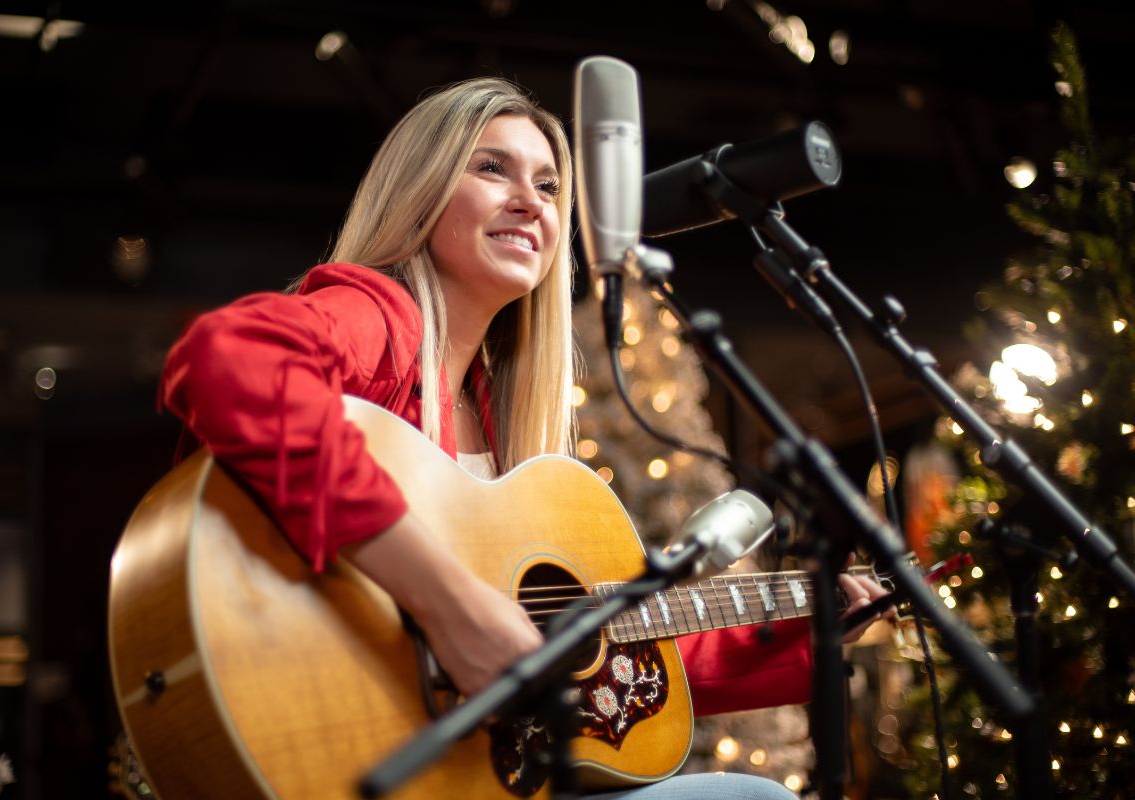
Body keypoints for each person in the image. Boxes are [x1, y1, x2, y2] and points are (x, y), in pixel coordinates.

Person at [160, 76, 888, 799]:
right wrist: (449, 602)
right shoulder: (377, 315)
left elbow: (604, 650)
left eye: (549, 186)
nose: (531, 202)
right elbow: (226, 362)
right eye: (490, 168)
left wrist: (807, 631)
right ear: (421, 191)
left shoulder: (503, 410)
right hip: (325, 731)